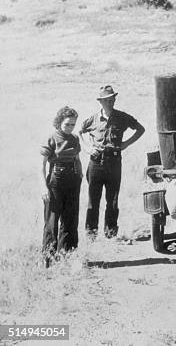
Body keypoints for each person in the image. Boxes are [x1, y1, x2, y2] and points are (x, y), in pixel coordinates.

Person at [80, 85, 145, 238]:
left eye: (112, 99)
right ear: (100, 102)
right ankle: (91, 234)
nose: (110, 102)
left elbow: (140, 129)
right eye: (107, 100)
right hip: (96, 163)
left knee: (113, 200)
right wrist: (88, 148)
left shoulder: (122, 117)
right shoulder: (93, 119)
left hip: (114, 162)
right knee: (93, 201)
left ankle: (110, 233)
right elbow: (79, 133)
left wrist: (126, 143)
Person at [41, 106, 82, 266]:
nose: (70, 127)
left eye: (73, 124)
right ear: (59, 123)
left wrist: (79, 176)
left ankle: (67, 255)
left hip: (72, 180)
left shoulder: (74, 138)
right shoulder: (51, 138)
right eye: (67, 124)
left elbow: (77, 159)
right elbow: (41, 165)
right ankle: (49, 260)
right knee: (52, 220)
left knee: (70, 219)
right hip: (55, 181)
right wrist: (43, 187)